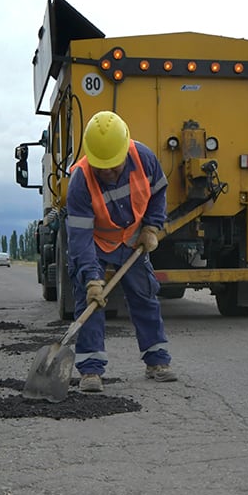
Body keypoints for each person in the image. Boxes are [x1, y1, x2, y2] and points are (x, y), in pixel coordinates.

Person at [65, 110, 175, 393]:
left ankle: (157, 361)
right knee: (90, 304)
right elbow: (80, 237)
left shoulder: (144, 157)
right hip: (98, 245)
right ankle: (90, 370)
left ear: (125, 149)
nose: (110, 173)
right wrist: (91, 278)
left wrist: (151, 227)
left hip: (132, 241)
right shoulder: (79, 180)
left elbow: (159, 192)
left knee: (144, 296)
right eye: (103, 167)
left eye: (114, 165)